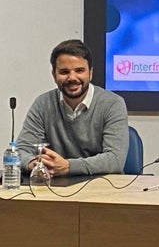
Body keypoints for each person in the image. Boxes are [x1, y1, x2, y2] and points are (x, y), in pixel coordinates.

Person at [16, 39, 129, 177]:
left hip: (102, 189)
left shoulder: (112, 104)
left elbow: (115, 160)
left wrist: (68, 166)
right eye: (64, 72)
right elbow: (20, 151)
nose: (72, 77)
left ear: (91, 73)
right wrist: (34, 163)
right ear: (54, 75)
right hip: (55, 189)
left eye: (79, 70)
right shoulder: (43, 104)